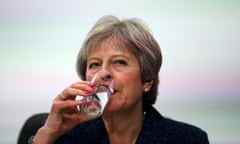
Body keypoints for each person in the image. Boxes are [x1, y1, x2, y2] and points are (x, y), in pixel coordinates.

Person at [31, 15, 209, 144]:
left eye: (119, 62)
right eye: (95, 64)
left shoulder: (188, 139)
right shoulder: (64, 137)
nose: (104, 73)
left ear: (147, 80)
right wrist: (48, 134)